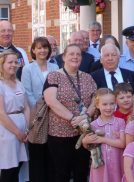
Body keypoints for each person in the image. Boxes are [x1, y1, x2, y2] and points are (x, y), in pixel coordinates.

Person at [43, 44, 97, 181]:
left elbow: (96, 100)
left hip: (83, 134)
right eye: (71, 54)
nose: (75, 57)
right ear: (63, 57)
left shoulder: (87, 77)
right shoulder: (54, 76)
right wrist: (73, 118)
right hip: (59, 134)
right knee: (62, 173)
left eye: (78, 54)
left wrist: (86, 116)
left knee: (81, 172)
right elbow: (51, 101)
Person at [21, 37, 58, 182]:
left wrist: (53, 106)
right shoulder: (27, 69)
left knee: (52, 154)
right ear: (33, 50)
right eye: (39, 48)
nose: (42, 50)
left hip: (54, 115)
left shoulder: (55, 67)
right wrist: (40, 110)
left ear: (49, 50)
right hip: (36, 117)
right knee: (37, 155)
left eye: (45, 47)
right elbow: (27, 93)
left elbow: (58, 90)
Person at [82, 88, 126, 182]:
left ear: (115, 104)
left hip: (117, 163)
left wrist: (102, 139)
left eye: (111, 104)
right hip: (101, 165)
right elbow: (88, 146)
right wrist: (85, 141)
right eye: (105, 104)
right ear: (97, 105)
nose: (109, 107)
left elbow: (122, 143)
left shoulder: (120, 122)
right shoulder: (93, 125)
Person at [0, 51, 30, 182]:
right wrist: (18, 132)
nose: (13, 65)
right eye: (9, 62)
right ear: (2, 65)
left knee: (19, 165)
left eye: (15, 62)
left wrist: (28, 130)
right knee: (9, 168)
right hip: (8, 132)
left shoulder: (19, 83)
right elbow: (1, 113)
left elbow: (26, 107)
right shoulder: (1, 85)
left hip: (22, 131)